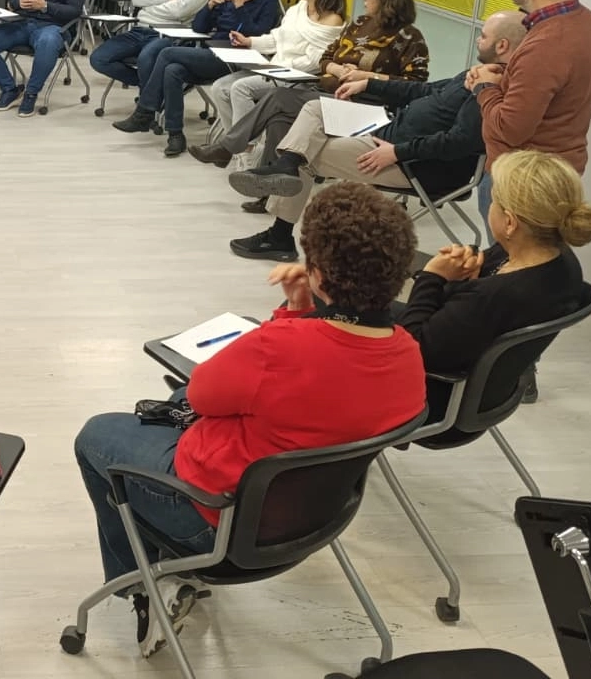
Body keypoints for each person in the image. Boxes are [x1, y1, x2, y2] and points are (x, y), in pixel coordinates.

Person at [74, 183, 425, 657]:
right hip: (316, 516)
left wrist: (291, 318)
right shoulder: (407, 356)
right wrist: (304, 314)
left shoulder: (279, 348)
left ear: (319, 275)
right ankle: (157, 575)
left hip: (214, 517)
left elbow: (204, 393)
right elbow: (324, 382)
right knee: (173, 403)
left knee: (96, 435)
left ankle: (141, 587)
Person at [226, 11, 527, 261]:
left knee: (309, 152)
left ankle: (279, 234)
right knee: (315, 108)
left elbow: (459, 143)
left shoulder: (492, 88)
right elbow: (423, 90)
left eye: (483, 35)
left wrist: (397, 152)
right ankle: (287, 165)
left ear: (502, 45)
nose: (477, 39)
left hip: (411, 164)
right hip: (388, 131)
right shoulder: (476, 73)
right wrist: (368, 84)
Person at [191, 0, 431, 170]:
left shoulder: (409, 37)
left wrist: (365, 76)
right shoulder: (359, 24)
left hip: (366, 106)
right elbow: (326, 57)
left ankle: (229, 147)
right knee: (279, 118)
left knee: (279, 97)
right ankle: (267, 187)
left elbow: (416, 85)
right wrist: (338, 69)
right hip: (329, 93)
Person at [399, 149, 591, 379]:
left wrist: (431, 276)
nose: (489, 206)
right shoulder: (557, 257)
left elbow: (412, 351)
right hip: (472, 358)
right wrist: (463, 278)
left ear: (510, 223)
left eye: (493, 200)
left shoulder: (493, 296)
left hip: (432, 381)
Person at [113, 0, 338, 158]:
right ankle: (175, 135)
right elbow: (200, 28)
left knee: (167, 53)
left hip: (240, 59)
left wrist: (241, 10)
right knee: (173, 70)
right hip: (215, 51)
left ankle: (145, 111)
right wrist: (210, 5)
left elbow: (259, 33)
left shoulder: (266, 4)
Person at [466, 0, 591, 186]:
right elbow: (553, 86)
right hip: (554, 174)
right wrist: (506, 76)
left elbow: (510, 130)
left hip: (521, 181)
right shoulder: (589, 23)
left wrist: (484, 87)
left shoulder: (546, 45)